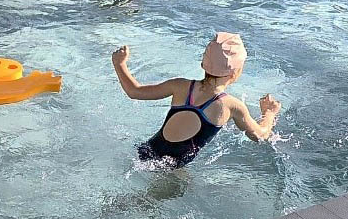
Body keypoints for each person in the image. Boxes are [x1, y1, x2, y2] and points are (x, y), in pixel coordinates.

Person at [112, 33, 282, 168]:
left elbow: (134, 91)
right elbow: (260, 135)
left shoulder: (180, 86)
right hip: (169, 168)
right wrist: (269, 113)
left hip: (144, 153)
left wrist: (119, 64)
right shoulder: (231, 105)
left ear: (203, 64)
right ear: (236, 72)